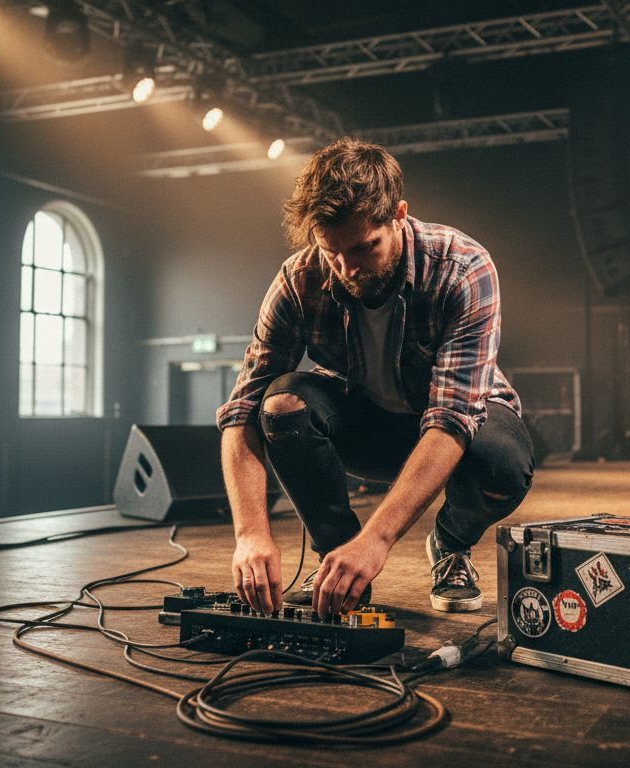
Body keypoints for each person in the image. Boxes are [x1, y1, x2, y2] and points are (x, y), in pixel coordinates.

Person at [216, 138, 533, 618]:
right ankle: (338, 565)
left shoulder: (463, 267)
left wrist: (378, 539)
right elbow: (241, 412)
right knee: (280, 405)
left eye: (365, 247)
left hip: (458, 431)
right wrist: (250, 535)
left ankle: (450, 543)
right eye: (332, 252)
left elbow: (451, 419)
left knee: (505, 466)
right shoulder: (297, 280)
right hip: (371, 428)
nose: (347, 269)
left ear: (399, 214)